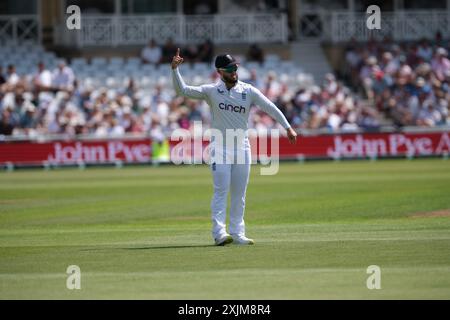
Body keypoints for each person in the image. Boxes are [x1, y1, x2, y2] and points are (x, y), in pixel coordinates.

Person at [171, 49, 297, 246]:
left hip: (242, 147)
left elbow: (270, 107)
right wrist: (175, 70)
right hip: (220, 148)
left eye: (235, 67)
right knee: (221, 191)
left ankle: (238, 233)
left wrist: (288, 127)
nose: (234, 71)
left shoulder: (248, 91)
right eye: (229, 69)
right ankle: (219, 233)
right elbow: (183, 91)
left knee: (240, 193)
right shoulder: (211, 91)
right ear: (220, 72)